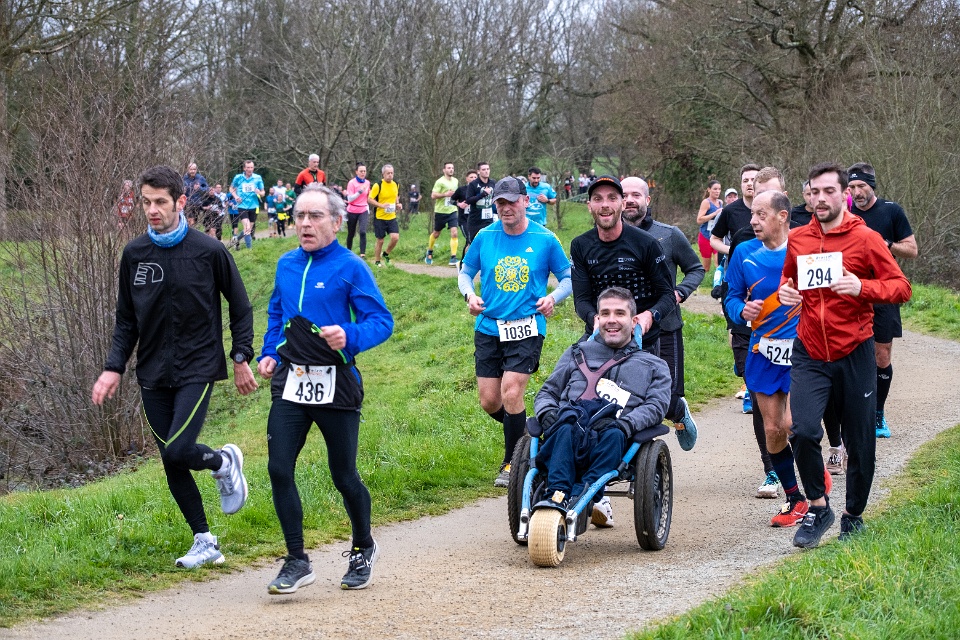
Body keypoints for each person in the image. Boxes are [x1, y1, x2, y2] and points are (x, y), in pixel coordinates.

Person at [91, 165, 257, 568]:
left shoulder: (209, 251)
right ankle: (205, 540)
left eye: (160, 202)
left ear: (180, 202)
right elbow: (126, 320)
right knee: (171, 459)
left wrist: (240, 356)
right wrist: (113, 367)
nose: (152, 210)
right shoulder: (134, 255)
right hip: (152, 371)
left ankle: (222, 462)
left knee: (180, 448)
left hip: (198, 364)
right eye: (146, 202)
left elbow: (240, 306)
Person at [258, 184, 393, 593]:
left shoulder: (351, 267)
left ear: (336, 222)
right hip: (292, 381)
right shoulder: (286, 264)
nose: (305, 223)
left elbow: (381, 321)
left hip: (337, 382)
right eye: (300, 215)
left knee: (343, 475)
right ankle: (296, 560)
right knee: (279, 467)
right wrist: (269, 353)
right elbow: (276, 313)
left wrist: (349, 335)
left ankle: (363, 546)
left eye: (315, 216)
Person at [778, 162, 911, 548]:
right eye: (814, 192)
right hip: (809, 350)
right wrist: (786, 292)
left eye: (829, 191)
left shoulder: (865, 238)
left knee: (860, 441)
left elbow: (901, 287)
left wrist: (862, 287)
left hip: (854, 350)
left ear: (844, 195)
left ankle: (853, 516)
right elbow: (789, 280)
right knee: (802, 430)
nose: (820, 199)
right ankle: (819, 508)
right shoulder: (798, 238)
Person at [458, 176, 572, 488]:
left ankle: (512, 463)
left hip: (527, 326)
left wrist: (553, 298)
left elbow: (567, 277)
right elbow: (466, 273)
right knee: (489, 401)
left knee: (511, 392)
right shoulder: (485, 236)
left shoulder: (545, 238)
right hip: (489, 326)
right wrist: (469, 295)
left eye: (511, 201)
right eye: (500, 203)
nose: (506, 208)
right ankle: (526, 434)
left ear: (525, 201)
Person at [725, 189, 823, 528]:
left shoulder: (805, 247)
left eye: (761, 214)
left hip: (802, 349)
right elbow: (731, 298)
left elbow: (826, 294)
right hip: (763, 350)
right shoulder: (743, 252)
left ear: (782, 216)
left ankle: (814, 477)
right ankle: (795, 499)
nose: (753, 220)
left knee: (794, 424)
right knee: (773, 429)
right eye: (752, 214)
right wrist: (742, 310)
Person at [532, 287, 671, 513]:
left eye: (619, 313)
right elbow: (548, 392)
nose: (611, 320)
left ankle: (582, 495)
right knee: (564, 428)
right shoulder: (576, 353)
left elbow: (656, 406)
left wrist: (626, 424)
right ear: (597, 319)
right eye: (605, 313)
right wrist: (548, 413)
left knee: (613, 435)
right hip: (567, 430)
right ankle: (557, 494)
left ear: (634, 321)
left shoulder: (655, 366)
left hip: (613, 437)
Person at [622, 176, 703, 439]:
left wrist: (680, 292)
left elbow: (695, 268)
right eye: (624, 195)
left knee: (666, 395)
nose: (629, 200)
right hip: (623, 329)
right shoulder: (609, 237)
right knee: (628, 395)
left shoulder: (669, 235)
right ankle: (641, 455)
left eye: (636, 195)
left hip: (665, 325)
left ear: (647, 199)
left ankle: (679, 413)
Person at [847, 162, 918, 439]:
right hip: (852, 291)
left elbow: (912, 250)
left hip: (884, 291)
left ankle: (878, 413)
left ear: (872, 186)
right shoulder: (846, 214)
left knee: (882, 354)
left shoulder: (891, 211)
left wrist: (886, 244)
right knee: (851, 352)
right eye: (852, 187)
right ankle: (853, 413)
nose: (856, 192)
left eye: (861, 186)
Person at [711, 164, 760, 416]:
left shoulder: (773, 209)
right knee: (737, 329)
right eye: (745, 180)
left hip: (764, 278)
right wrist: (734, 251)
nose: (750, 183)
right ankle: (746, 377)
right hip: (737, 277)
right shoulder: (731, 211)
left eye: (754, 179)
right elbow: (714, 239)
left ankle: (753, 383)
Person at [426, 162, 459, 266]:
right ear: (444, 170)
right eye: (449, 168)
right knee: (436, 233)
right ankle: (429, 251)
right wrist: (445, 194)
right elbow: (433, 195)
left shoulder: (455, 181)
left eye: (452, 168)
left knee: (454, 233)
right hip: (441, 211)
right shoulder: (440, 182)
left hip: (452, 210)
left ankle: (453, 257)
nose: (451, 170)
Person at [368, 164, 402, 267]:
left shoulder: (396, 184)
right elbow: (369, 199)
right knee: (380, 240)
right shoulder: (378, 185)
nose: (390, 175)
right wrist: (381, 205)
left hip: (391, 217)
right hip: (380, 217)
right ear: (383, 174)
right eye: (388, 173)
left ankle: (386, 254)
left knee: (395, 238)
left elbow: (395, 196)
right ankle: (377, 261)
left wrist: (397, 204)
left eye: (392, 173)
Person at [230, 160, 265, 250]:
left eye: (251, 167)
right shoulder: (238, 177)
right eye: (248, 167)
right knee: (247, 227)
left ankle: (237, 240)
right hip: (242, 206)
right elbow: (231, 188)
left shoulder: (258, 178)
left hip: (254, 206)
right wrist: (236, 196)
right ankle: (249, 250)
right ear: (244, 168)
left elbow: (263, 192)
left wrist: (259, 192)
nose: (250, 169)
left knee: (248, 229)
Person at [464, 162, 497, 246]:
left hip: (489, 218)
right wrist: (482, 194)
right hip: (476, 220)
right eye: (483, 169)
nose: (486, 171)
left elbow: (495, 197)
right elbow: (468, 200)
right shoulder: (473, 184)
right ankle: (467, 255)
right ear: (478, 171)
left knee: (488, 243)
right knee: (474, 244)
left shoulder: (493, 183)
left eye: (488, 169)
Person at [695, 180, 722, 271]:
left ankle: (719, 280)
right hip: (705, 237)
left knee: (718, 263)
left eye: (719, 189)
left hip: (716, 236)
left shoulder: (720, 203)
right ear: (709, 190)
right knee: (706, 267)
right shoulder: (706, 202)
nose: (717, 191)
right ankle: (699, 279)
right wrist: (714, 213)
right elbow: (699, 220)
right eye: (715, 189)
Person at [345, 163, 371, 258]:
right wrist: (360, 191)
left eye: (364, 171)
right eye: (361, 171)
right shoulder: (351, 183)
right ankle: (348, 252)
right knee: (351, 233)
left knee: (363, 231)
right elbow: (350, 198)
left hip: (363, 209)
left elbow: (369, 196)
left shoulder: (367, 183)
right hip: (352, 210)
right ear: (356, 172)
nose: (363, 173)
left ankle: (362, 254)